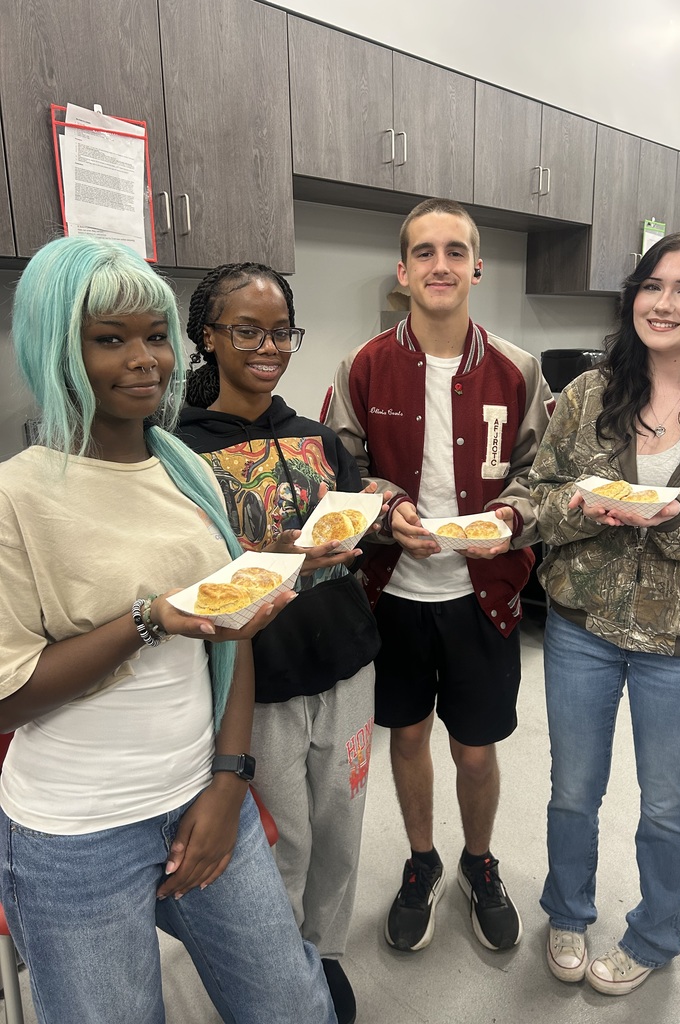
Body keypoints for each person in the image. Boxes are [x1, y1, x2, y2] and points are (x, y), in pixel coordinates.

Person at [0, 236, 336, 1024]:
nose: (144, 359)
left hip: (201, 796)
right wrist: (149, 619)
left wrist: (230, 781)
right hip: (74, 839)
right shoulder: (18, 496)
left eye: (154, 336)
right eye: (109, 340)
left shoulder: (185, 469)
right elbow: (8, 700)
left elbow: (229, 631)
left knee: (293, 1006)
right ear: (55, 346)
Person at [529, 231, 680, 996]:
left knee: (668, 803)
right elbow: (539, 498)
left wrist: (677, 511)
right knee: (573, 787)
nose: (663, 304)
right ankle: (567, 910)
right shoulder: (590, 394)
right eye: (652, 285)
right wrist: (581, 507)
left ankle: (656, 934)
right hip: (581, 625)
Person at [324, 198, 553, 954]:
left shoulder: (519, 369)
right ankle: (421, 862)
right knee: (409, 735)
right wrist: (388, 507)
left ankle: (477, 863)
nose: (440, 264)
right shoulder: (361, 365)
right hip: (391, 596)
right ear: (404, 271)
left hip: (483, 597)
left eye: (455, 251)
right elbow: (342, 468)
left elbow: (540, 477)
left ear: (476, 267)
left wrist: (509, 522)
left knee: (477, 750)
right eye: (424, 252)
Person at [177, 262, 381, 1024]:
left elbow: (354, 523)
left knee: (342, 823)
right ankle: (280, 964)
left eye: (281, 332)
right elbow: (189, 577)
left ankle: (323, 951)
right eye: (247, 330)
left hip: (347, 663)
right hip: (256, 683)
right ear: (208, 337)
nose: (268, 346)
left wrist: (380, 519)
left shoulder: (320, 439)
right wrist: (285, 553)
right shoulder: (178, 452)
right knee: (282, 837)